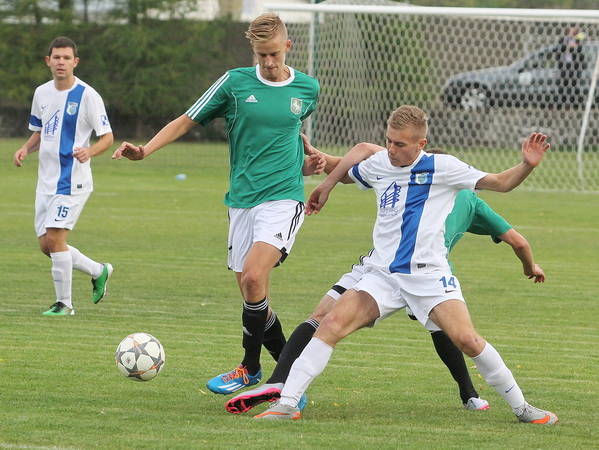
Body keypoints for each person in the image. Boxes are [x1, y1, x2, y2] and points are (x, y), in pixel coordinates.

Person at [253, 105, 557, 425]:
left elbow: (501, 182)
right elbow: (344, 166)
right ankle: (287, 405)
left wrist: (526, 165)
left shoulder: (443, 167)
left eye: (400, 144)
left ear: (421, 144)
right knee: (330, 325)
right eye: (388, 141)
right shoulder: (380, 164)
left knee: (467, 340)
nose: (391, 149)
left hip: (428, 274)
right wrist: (323, 173)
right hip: (382, 274)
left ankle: (523, 408)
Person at [112, 13, 322, 394]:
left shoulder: (307, 88)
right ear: (253, 51)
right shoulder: (234, 84)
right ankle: (290, 378)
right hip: (241, 200)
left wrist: (303, 165)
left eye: (274, 54)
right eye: (261, 55)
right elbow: (185, 120)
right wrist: (145, 151)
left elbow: (289, 132)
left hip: (284, 199)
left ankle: (250, 369)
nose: (268, 62)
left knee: (255, 276)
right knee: (252, 293)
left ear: (288, 47)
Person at [13, 37, 114, 316]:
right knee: (47, 245)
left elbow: (107, 137)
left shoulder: (87, 95)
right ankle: (98, 270)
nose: (61, 62)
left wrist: (89, 151)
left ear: (75, 62)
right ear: (48, 61)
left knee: (56, 238)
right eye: (56, 57)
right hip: (46, 181)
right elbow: (40, 131)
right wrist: (25, 148)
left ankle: (64, 304)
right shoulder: (41, 93)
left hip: (72, 181)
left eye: (67, 58)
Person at [557, 25, 585, 104]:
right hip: (564, 65)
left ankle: (573, 102)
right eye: (572, 30)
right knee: (563, 84)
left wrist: (575, 46)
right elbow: (560, 48)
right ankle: (562, 102)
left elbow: (580, 50)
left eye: (575, 30)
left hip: (574, 66)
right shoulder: (563, 39)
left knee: (573, 84)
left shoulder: (578, 40)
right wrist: (569, 46)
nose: (573, 32)